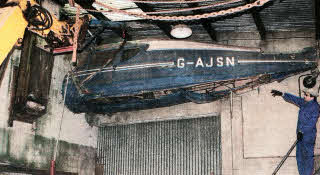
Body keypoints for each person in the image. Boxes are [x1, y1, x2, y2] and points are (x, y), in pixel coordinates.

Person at [271, 88, 319, 175]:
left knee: (307, 158)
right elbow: (295, 99)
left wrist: (302, 131)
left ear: (312, 97)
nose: (304, 96)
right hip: (300, 135)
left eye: (306, 95)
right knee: (299, 157)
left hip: (308, 137)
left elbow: (312, 122)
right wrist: (282, 94)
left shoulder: (315, 107)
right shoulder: (304, 102)